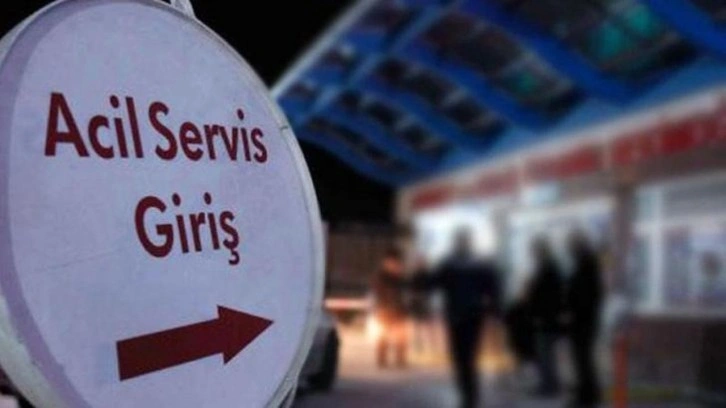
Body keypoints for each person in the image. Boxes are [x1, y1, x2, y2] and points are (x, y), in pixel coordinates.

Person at [413, 228, 500, 408]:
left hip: (456, 317)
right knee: (470, 358)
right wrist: (494, 311)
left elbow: (430, 284)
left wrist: (420, 272)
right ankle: (471, 396)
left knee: (460, 359)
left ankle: (467, 396)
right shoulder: (480, 264)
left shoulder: (449, 264)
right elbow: (493, 290)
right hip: (473, 317)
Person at [565, 231, 603, 407]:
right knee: (582, 360)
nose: (569, 249)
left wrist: (572, 310)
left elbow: (585, 295)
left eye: (571, 245)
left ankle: (587, 397)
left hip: (583, 322)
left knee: (583, 360)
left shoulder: (586, 265)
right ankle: (587, 394)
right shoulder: (585, 263)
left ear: (578, 246)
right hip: (583, 321)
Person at [528, 236, 564, 397]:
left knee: (545, 353)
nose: (533, 254)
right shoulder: (547, 267)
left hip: (546, 318)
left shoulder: (548, 268)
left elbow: (548, 294)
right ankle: (549, 384)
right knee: (545, 353)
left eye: (535, 251)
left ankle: (548, 386)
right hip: (546, 317)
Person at [372, 247, 409, 369]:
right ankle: (382, 359)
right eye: (392, 262)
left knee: (401, 336)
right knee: (383, 335)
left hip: (399, 310)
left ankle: (400, 359)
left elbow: (405, 292)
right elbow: (378, 291)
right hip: (385, 309)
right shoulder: (381, 276)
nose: (395, 265)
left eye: (396, 263)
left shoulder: (401, 277)